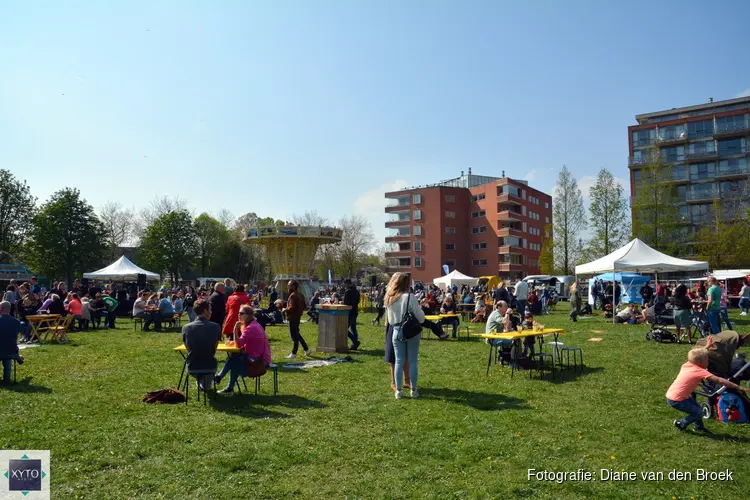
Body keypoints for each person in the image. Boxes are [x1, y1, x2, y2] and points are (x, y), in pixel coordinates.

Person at [666, 344, 748, 432]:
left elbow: (696, 356)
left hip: (674, 394)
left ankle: (699, 427)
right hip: (677, 400)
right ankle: (681, 424)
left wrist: (707, 346)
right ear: (701, 362)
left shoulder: (688, 364)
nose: (708, 361)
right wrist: (737, 386)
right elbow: (719, 380)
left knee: (698, 410)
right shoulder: (700, 371)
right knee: (698, 412)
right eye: (707, 359)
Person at [384, 272, 424, 399]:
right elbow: (421, 317)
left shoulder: (389, 298)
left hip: (395, 330)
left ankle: (398, 390)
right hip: (409, 331)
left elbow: (389, 319)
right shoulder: (409, 297)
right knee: (412, 361)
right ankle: (413, 389)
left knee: (399, 361)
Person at [215, 304, 272, 394]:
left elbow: (239, 344)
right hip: (257, 358)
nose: (239, 315)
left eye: (241, 313)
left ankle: (220, 379)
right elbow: (243, 343)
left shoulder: (251, 328)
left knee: (233, 360)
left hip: (259, 362)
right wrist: (233, 342)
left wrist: (235, 330)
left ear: (249, 316)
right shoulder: (253, 325)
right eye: (238, 313)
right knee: (234, 358)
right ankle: (227, 386)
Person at [182, 299, 222, 390]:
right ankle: (201, 382)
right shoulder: (216, 327)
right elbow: (214, 349)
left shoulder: (186, 328)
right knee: (206, 387)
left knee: (205, 386)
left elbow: (187, 347)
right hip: (209, 365)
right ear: (205, 311)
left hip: (192, 366)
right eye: (210, 310)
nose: (211, 312)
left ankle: (200, 381)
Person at [284, 280, 310, 359]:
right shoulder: (301, 295)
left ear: (294, 286)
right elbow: (304, 306)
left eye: (290, 285)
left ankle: (293, 353)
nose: (288, 287)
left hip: (293, 317)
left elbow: (292, 307)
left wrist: (284, 309)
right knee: (297, 334)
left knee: (294, 336)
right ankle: (307, 349)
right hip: (298, 317)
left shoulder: (293, 295)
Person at [0, 301, 24, 383]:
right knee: (8, 354)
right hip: (11, 350)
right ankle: (7, 378)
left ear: (1, 308)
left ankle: (18, 358)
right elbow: (22, 334)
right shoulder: (16, 322)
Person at [343, 278, 361, 350]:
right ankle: (355, 345)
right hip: (355, 311)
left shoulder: (348, 291)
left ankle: (355, 341)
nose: (344, 285)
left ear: (347, 284)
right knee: (353, 328)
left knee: (344, 329)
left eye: (344, 284)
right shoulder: (356, 291)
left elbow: (345, 302)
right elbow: (358, 301)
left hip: (349, 311)